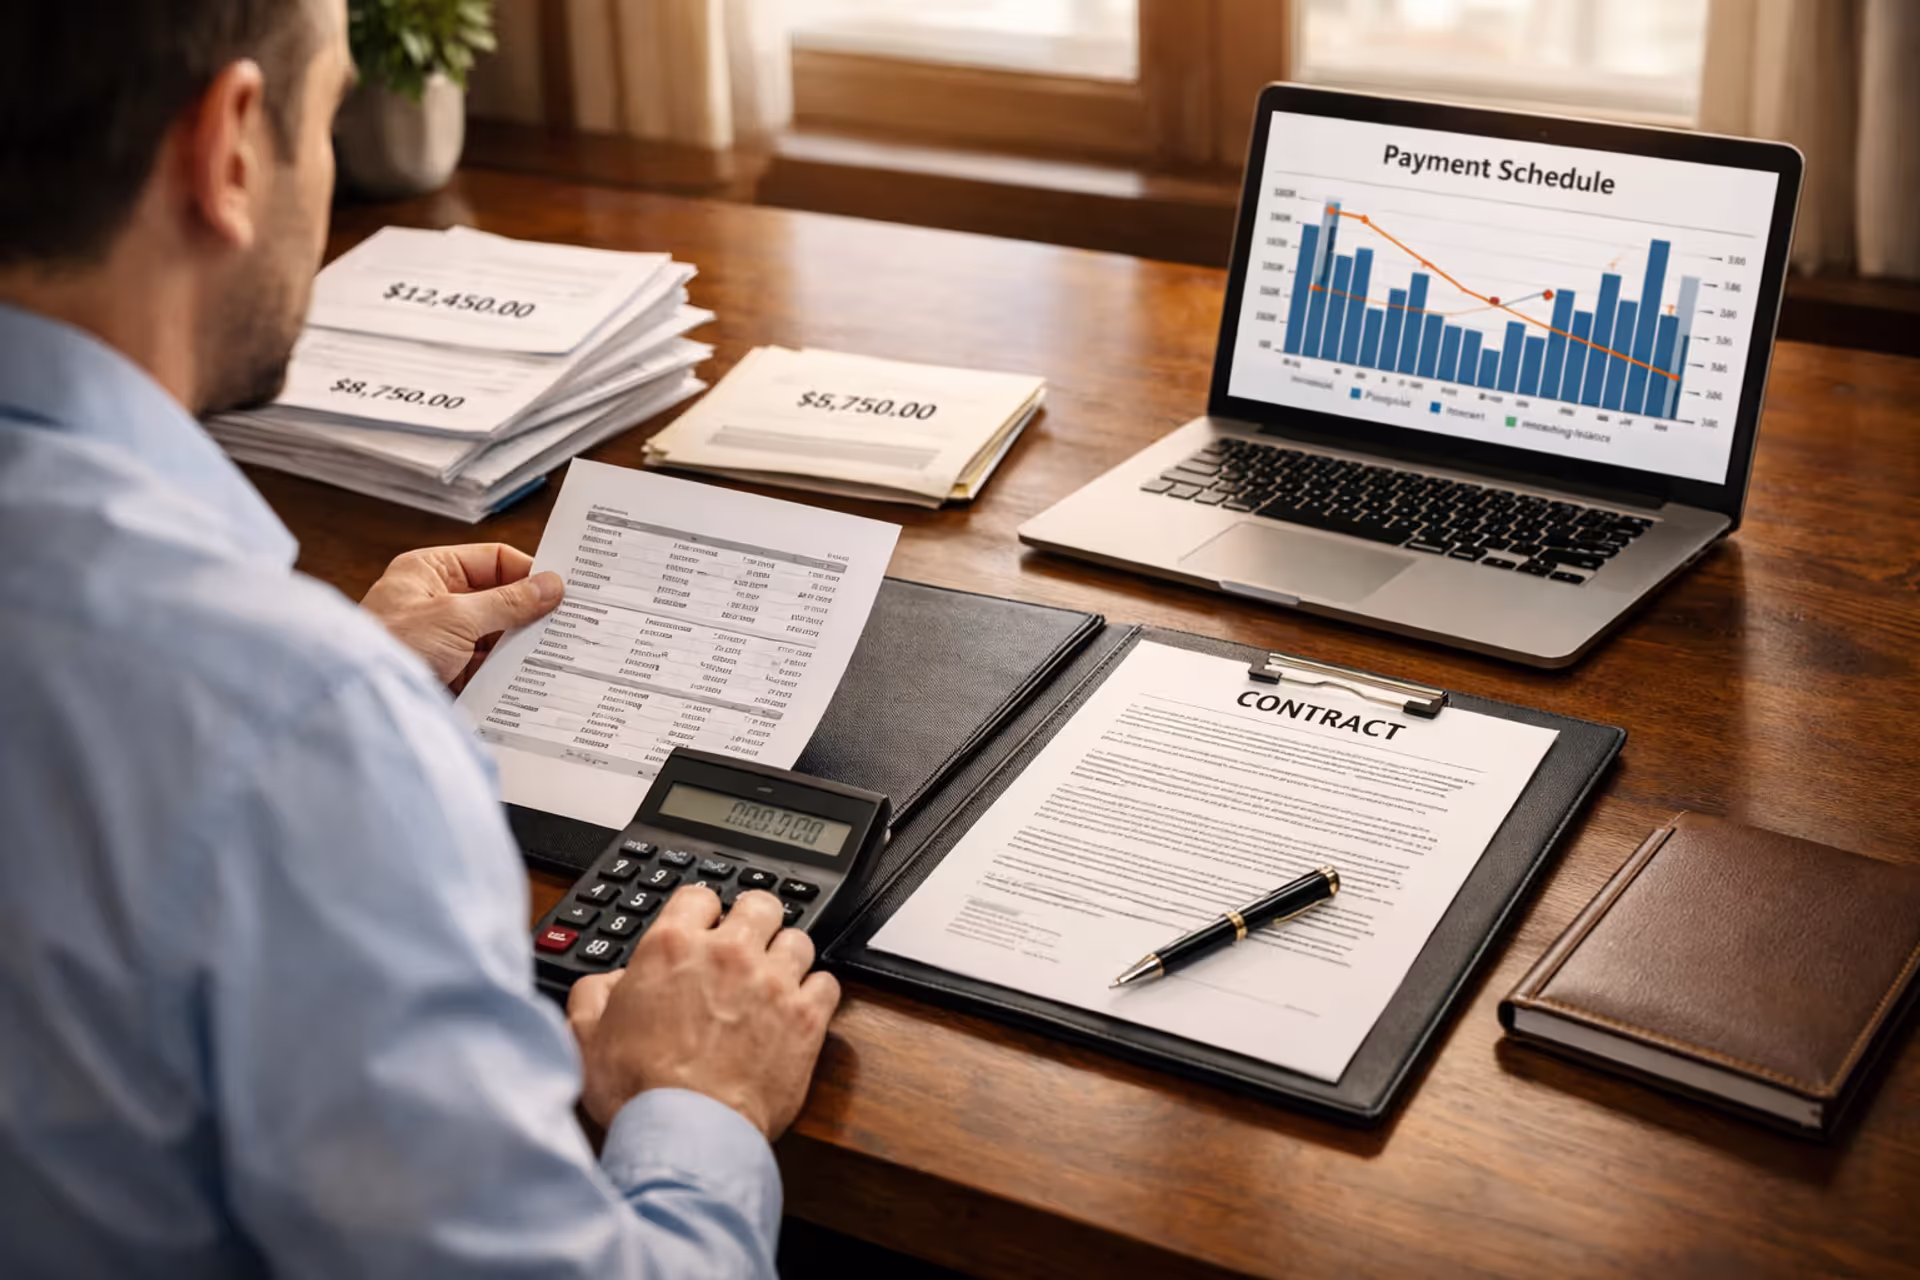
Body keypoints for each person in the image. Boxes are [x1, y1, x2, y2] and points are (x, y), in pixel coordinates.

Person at [0, 1, 840, 1275]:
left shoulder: (270, 712)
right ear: (230, 148)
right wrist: (699, 1104)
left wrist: (306, 704)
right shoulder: (297, 723)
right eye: (331, 109)